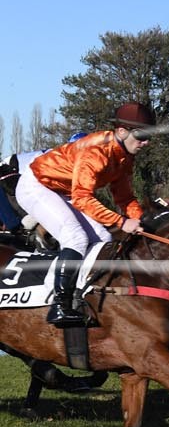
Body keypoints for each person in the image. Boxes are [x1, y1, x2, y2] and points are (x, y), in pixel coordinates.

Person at [15, 100, 152, 325]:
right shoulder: (96, 152)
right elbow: (82, 198)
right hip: (36, 186)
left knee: (104, 238)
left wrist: (141, 219)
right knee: (75, 237)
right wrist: (121, 221)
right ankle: (58, 305)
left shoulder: (124, 156)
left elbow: (125, 198)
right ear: (121, 131)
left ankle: (80, 294)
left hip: (63, 191)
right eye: (141, 136)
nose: (146, 142)